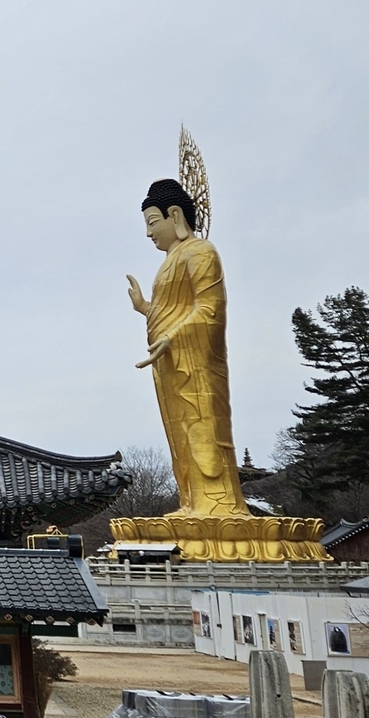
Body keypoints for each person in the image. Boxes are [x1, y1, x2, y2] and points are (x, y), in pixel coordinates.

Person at [126, 178, 249, 518]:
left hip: (194, 364)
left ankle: (220, 507)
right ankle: (192, 502)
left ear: (175, 215)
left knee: (202, 427)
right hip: (169, 360)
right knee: (179, 434)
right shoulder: (171, 259)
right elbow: (174, 310)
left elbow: (209, 309)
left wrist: (172, 336)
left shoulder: (201, 252)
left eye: (153, 223)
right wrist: (146, 309)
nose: (149, 234)